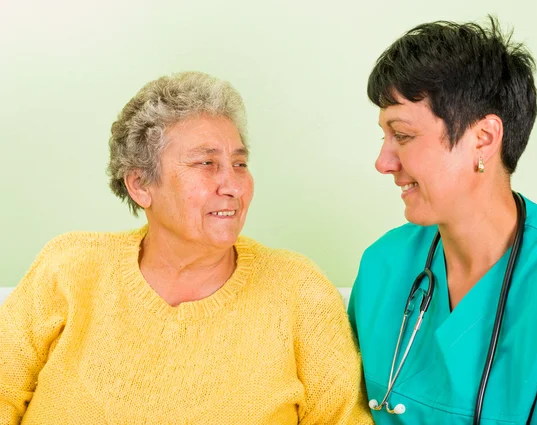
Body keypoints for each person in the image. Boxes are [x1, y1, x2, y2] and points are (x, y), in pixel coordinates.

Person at [0, 71, 374, 425]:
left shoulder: (298, 291)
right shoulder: (69, 267)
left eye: (240, 163)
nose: (233, 185)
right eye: (206, 163)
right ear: (141, 185)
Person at [348, 17, 537, 425]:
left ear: (483, 138)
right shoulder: (383, 264)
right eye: (384, 137)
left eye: (404, 135)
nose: (383, 162)